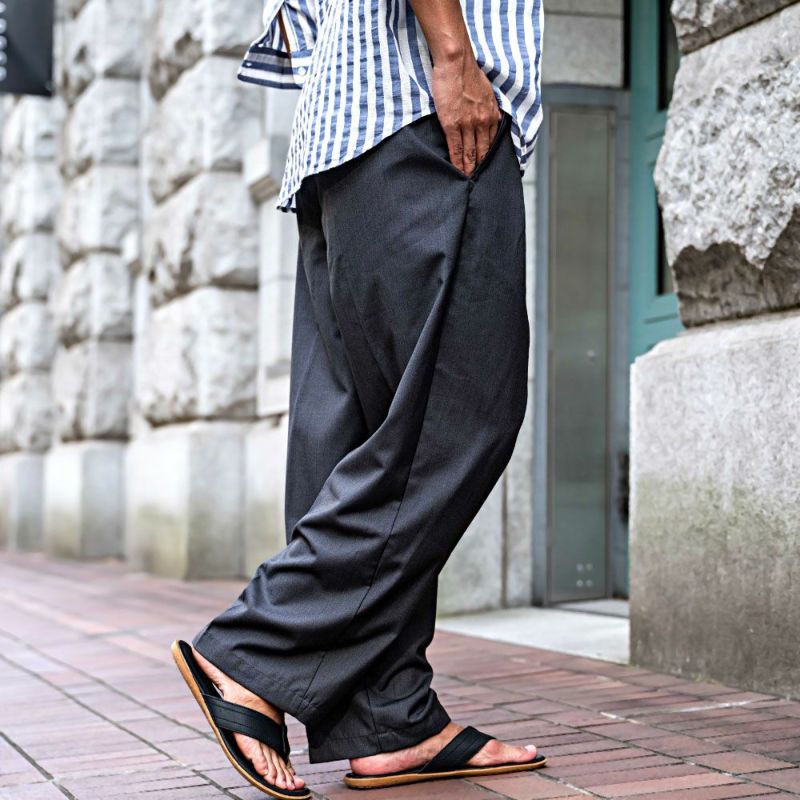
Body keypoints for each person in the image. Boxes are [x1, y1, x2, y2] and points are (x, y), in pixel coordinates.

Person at [172, 0, 546, 797]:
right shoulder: (444, 80)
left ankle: (390, 721)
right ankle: (252, 650)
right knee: (460, 415)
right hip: (428, 119)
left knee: (359, 434)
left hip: (344, 137)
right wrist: (453, 56)